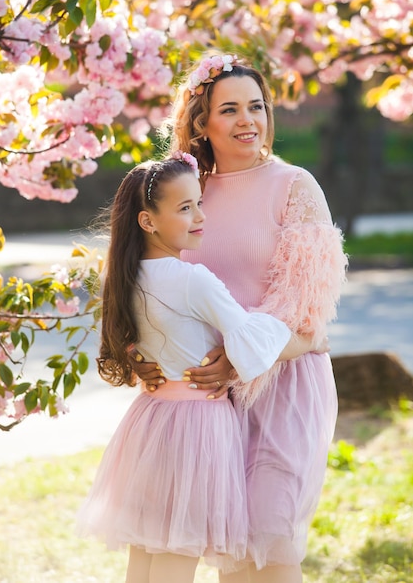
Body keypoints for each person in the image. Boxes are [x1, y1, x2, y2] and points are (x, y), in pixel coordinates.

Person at [132, 52, 348, 583]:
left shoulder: (294, 187)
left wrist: (239, 361)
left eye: (257, 106)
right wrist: (141, 352)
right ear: (201, 121)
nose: (247, 120)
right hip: (206, 397)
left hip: (283, 386)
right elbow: (156, 287)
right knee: (230, 552)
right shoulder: (184, 190)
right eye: (230, 109)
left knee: (268, 546)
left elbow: (308, 320)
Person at [76, 154, 324, 583]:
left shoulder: (123, 277)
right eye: (185, 207)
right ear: (148, 221)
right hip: (199, 425)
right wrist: (308, 339)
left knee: (147, 551)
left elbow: (132, 344)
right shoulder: (194, 280)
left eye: (198, 203)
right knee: (178, 550)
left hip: (150, 421)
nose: (200, 216)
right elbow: (248, 338)